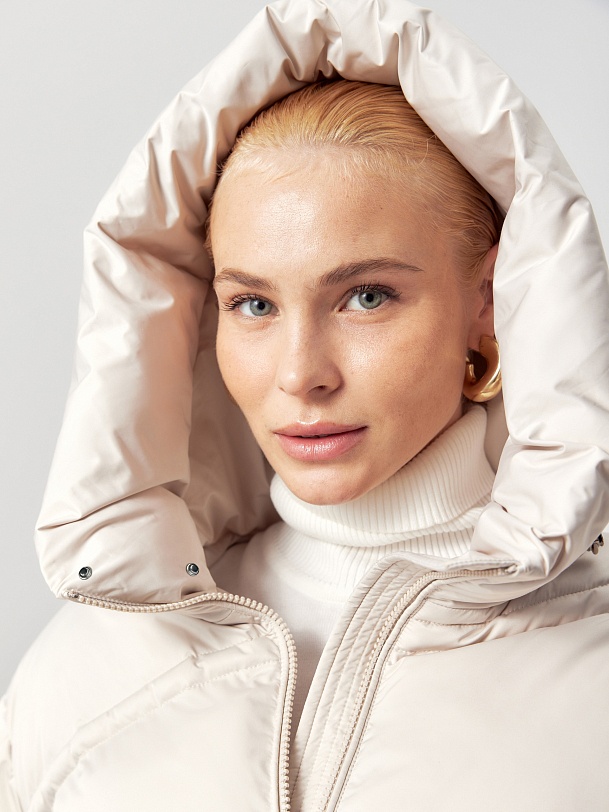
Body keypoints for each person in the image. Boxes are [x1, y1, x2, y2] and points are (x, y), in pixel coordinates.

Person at [2, 0, 609, 809]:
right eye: (253, 305)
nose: (299, 375)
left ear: (489, 303)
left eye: (365, 296)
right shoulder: (84, 674)